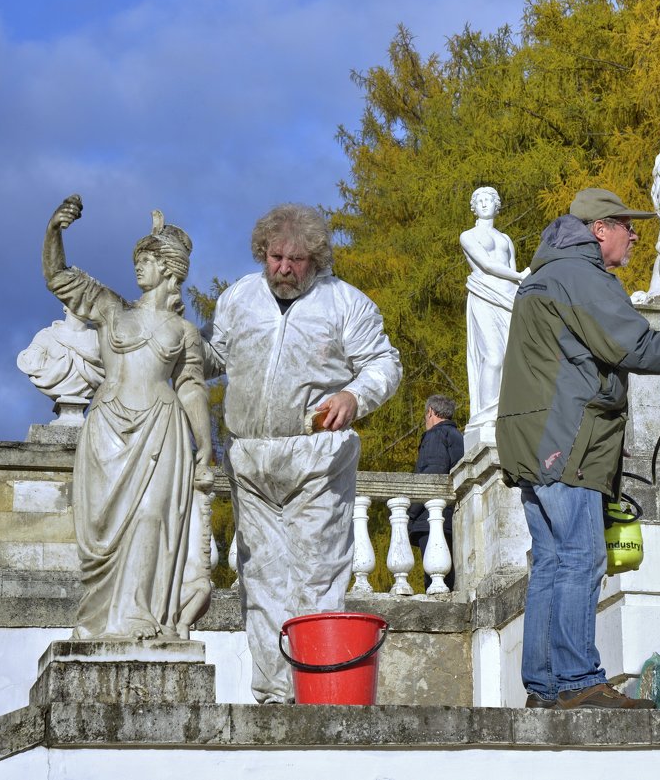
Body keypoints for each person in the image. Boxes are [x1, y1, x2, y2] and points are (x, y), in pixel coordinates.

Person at [496, 188, 660, 709]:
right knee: (579, 557)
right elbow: (636, 346)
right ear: (599, 230)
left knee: (551, 560)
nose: (634, 235)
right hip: (563, 441)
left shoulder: (546, 275)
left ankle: (545, 689)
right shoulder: (583, 278)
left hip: (535, 441)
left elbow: (576, 366)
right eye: (625, 225)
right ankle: (575, 682)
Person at [205, 203, 402, 703]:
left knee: (317, 575)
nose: (284, 269)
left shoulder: (345, 303)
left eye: (295, 260)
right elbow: (214, 357)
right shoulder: (238, 299)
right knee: (262, 580)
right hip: (251, 460)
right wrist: (171, 342)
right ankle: (274, 696)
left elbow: (383, 362)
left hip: (318, 458)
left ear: (316, 260)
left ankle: (318, 693)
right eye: (275, 257)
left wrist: (353, 396)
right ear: (262, 253)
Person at [41, 195, 213, 641]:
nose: (139, 267)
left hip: (162, 429)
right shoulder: (110, 307)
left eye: (148, 259)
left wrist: (206, 444)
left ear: (169, 270)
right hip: (106, 434)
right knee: (101, 535)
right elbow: (59, 278)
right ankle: (99, 622)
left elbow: (191, 387)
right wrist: (54, 231)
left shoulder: (183, 332)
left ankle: (140, 615)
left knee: (153, 518)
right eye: (138, 258)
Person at [460, 186, 528, 436]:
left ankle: (507, 412)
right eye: (480, 200)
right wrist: (519, 275)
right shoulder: (468, 235)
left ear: (497, 205)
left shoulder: (505, 238)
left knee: (511, 358)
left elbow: (512, 270)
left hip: (508, 298)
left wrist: (520, 283)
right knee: (492, 357)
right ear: (474, 207)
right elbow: (487, 265)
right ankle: (486, 416)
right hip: (484, 295)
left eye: (490, 200)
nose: (485, 203)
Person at [407, 394, 465, 590]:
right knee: (448, 577)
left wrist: (410, 513)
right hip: (450, 518)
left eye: (426, 415)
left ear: (430, 412)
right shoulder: (458, 437)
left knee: (434, 578)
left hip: (431, 518)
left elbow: (432, 475)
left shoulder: (435, 435)